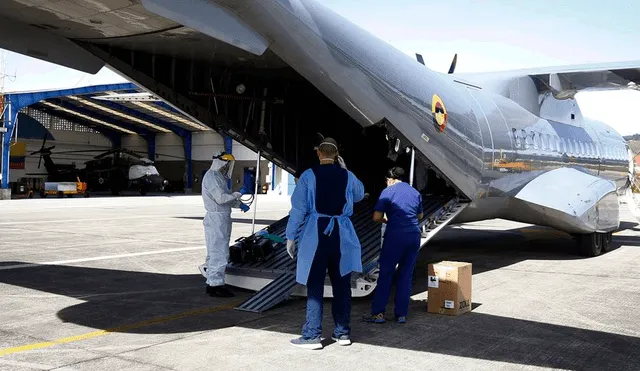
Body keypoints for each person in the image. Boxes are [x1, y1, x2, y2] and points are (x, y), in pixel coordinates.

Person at [285, 138, 365, 350]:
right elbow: (358, 195)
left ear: (319, 153)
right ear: (337, 155)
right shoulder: (348, 176)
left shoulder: (308, 176)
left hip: (315, 235)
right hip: (342, 236)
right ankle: (343, 333)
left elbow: (298, 209)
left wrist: (291, 236)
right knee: (342, 286)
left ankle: (312, 336)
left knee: (315, 286)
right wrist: (346, 170)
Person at [364, 167, 423, 324]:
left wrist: (386, 220)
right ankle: (401, 314)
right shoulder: (415, 192)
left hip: (395, 237)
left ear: (390, 178)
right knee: (405, 275)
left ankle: (378, 314)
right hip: (413, 236)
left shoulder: (388, 191)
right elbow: (420, 215)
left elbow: (376, 217)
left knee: (386, 274)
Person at [199, 152, 243, 298]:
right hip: (217, 220)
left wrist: (237, 204)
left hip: (221, 218)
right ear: (221, 162)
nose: (228, 167)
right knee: (219, 252)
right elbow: (221, 198)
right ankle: (216, 285)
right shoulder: (212, 177)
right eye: (227, 164)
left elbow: (225, 198)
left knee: (215, 251)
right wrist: (237, 195)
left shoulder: (218, 177)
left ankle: (212, 282)